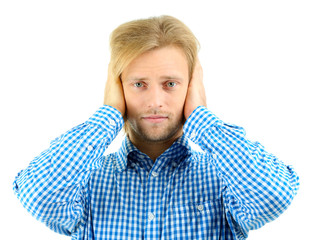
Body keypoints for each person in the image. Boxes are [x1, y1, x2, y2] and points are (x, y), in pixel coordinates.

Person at [13, 15, 299, 239]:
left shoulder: (224, 175)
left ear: (191, 86)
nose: (155, 102)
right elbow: (38, 195)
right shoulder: (86, 179)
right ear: (117, 88)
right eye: (139, 84)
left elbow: (274, 195)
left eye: (170, 84)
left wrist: (200, 115)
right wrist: (108, 114)